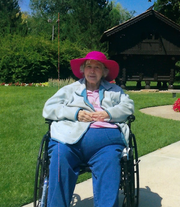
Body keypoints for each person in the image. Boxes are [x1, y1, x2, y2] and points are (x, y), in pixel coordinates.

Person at [43, 51, 134, 207]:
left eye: (97, 67)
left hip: (106, 143)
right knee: (60, 157)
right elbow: (49, 108)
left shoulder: (114, 90)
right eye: (89, 67)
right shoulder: (69, 90)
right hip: (69, 140)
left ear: (104, 72)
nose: (92, 71)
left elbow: (128, 107)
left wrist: (108, 113)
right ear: (83, 70)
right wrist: (75, 113)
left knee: (110, 160)